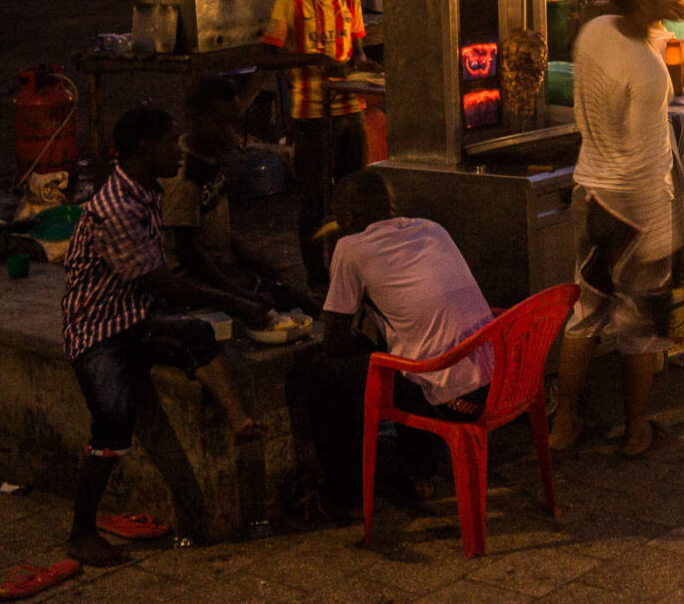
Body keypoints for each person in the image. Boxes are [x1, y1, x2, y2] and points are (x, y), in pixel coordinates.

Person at [61, 106, 269, 566]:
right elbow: (166, 283)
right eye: (170, 141)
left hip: (135, 315)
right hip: (97, 330)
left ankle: (239, 421)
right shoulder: (116, 207)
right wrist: (237, 302)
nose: (178, 150)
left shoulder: (146, 190)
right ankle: (80, 532)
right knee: (113, 421)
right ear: (143, 148)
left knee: (195, 334)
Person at [552, 0, 684, 456]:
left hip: (591, 195)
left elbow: (629, 43)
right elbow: (646, 158)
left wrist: (665, 22)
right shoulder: (649, 74)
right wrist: (660, 224)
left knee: (585, 314)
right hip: (635, 209)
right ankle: (635, 430)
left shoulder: (595, 30)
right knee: (637, 327)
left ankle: (564, 424)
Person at [299, 169, 494, 511]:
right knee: (404, 352)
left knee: (321, 372)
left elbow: (334, 342)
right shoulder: (431, 228)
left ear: (350, 217)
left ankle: (344, 494)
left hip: (452, 400)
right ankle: (419, 472)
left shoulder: (350, 247)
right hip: (496, 385)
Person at [256, 0, 367, 287]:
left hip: (351, 109)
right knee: (315, 198)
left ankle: (351, 271)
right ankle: (317, 276)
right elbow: (267, 57)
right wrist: (316, 60)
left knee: (355, 194)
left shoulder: (352, 1)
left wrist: (364, 64)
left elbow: (358, 51)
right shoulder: (289, 5)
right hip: (310, 113)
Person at [164, 76, 310, 310]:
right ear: (195, 118)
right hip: (190, 278)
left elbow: (211, 229)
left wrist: (255, 262)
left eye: (233, 123)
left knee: (292, 297)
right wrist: (241, 296)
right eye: (220, 123)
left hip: (217, 266)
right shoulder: (185, 175)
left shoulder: (211, 157)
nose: (230, 133)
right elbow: (187, 253)